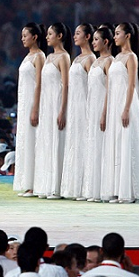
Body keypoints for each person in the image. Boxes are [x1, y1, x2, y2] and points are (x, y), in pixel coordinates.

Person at [102, 23, 139, 203]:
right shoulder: (117, 57)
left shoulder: (131, 57)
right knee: (116, 144)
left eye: (118, 33)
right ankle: (117, 189)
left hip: (127, 103)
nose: (115, 36)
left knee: (126, 144)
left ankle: (128, 192)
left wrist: (126, 108)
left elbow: (132, 84)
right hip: (114, 103)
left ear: (128, 36)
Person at [33, 23, 71, 199]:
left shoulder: (64, 57)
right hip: (46, 106)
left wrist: (62, 110)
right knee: (46, 142)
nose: (47, 37)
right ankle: (45, 184)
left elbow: (65, 85)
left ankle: (57, 186)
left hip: (57, 104)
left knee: (57, 141)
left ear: (60, 36)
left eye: (50, 34)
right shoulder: (48, 58)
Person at [60, 23, 95, 199]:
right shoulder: (76, 59)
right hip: (74, 106)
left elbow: (93, 87)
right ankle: (73, 186)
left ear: (87, 36)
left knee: (83, 143)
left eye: (78, 33)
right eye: (74, 33)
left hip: (84, 107)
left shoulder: (90, 59)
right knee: (74, 144)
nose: (74, 36)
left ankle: (84, 186)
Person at [82, 26, 115, 202]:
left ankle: (104, 188)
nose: (93, 42)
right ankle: (92, 189)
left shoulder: (109, 61)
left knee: (102, 147)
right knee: (93, 146)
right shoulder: (95, 61)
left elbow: (109, 89)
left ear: (106, 42)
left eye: (96, 39)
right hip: (91, 108)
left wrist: (104, 113)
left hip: (102, 108)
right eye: (93, 39)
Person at [14, 23, 46, 197]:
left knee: (34, 141)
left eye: (25, 35)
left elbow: (40, 83)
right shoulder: (27, 56)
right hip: (24, 102)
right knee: (26, 141)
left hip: (34, 104)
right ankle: (27, 182)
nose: (22, 38)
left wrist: (36, 108)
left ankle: (35, 184)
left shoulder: (39, 56)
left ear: (34, 37)